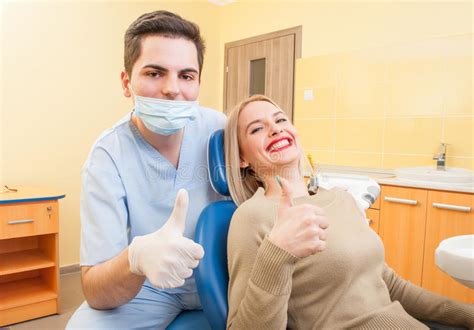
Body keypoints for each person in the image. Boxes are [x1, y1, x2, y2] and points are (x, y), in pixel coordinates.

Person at [224, 94, 474, 329]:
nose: (276, 128)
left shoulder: (341, 199)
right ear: (242, 157)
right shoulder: (252, 217)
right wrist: (278, 252)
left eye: (280, 120)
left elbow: (391, 285)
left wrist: (467, 314)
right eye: (257, 128)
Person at [67, 11, 226, 329]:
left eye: (186, 76)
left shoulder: (221, 130)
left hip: (223, 278)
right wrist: (136, 260)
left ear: (198, 82)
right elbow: (96, 289)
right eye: (155, 73)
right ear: (127, 82)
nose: (172, 89)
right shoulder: (107, 158)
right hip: (148, 291)